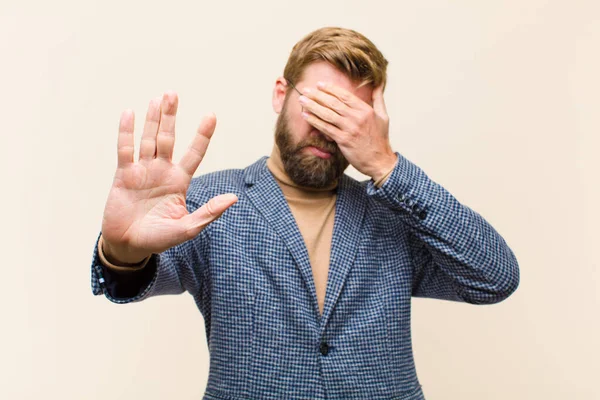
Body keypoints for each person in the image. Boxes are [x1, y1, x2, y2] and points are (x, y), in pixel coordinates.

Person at [90, 27, 520, 400]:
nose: (328, 129)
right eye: (318, 106)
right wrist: (121, 251)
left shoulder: (395, 211)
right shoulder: (208, 201)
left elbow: (495, 279)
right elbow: (129, 281)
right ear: (281, 94)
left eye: (349, 116)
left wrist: (387, 166)